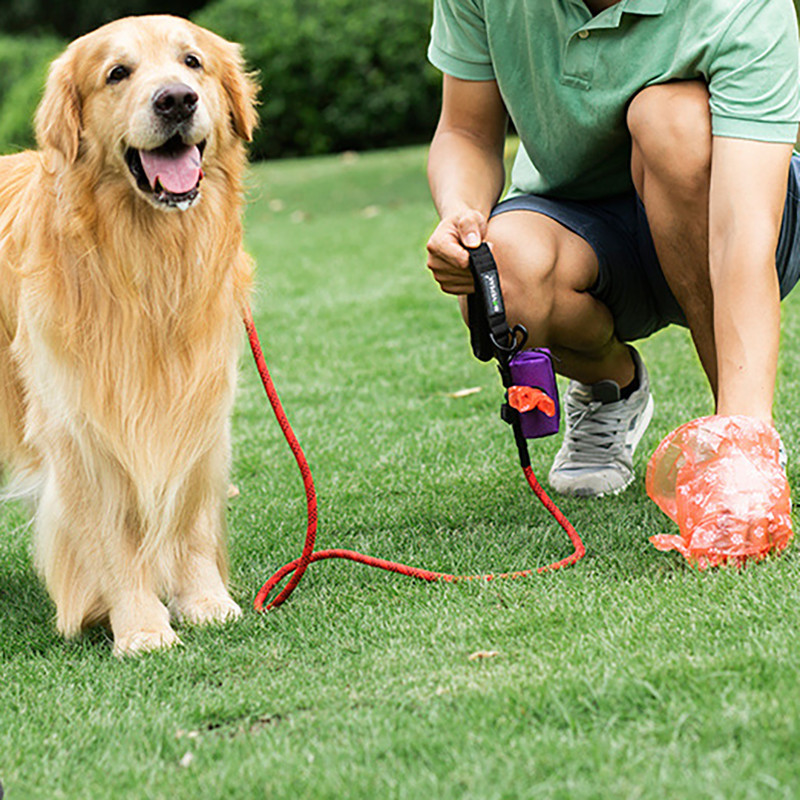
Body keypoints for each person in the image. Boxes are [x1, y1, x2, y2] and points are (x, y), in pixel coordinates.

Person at [424, 0, 800, 498]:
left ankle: (735, 439)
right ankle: (611, 387)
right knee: (501, 274)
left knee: (668, 118)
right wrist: (461, 211)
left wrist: (745, 439)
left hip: (732, 210)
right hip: (582, 224)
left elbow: (742, 238)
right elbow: (466, 131)